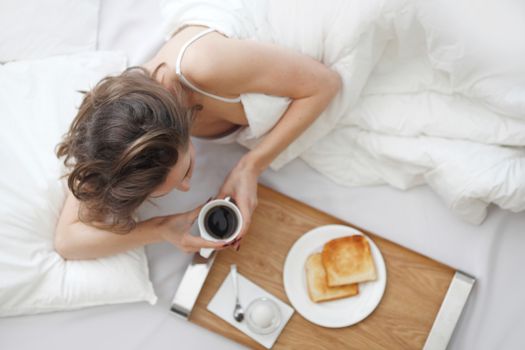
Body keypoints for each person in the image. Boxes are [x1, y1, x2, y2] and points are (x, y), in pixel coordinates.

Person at [54, 24, 342, 260]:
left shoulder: (205, 65)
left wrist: (250, 166)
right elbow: (67, 242)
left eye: (186, 169)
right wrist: (160, 229)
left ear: (181, 120)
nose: (187, 186)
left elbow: (326, 83)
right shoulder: (112, 145)